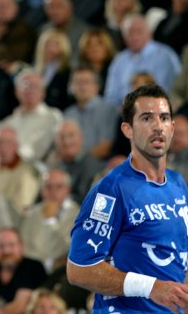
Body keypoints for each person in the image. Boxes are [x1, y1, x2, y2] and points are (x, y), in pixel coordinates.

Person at [67, 84, 188, 313]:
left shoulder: (178, 184)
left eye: (164, 118)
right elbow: (79, 269)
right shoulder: (110, 190)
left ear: (172, 128)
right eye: (146, 118)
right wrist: (150, 287)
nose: (157, 126)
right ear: (127, 129)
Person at [0, 227, 47, 313]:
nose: (6, 251)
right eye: (1, 246)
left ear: (21, 246)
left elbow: (28, 306)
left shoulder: (34, 268)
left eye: (11, 245)